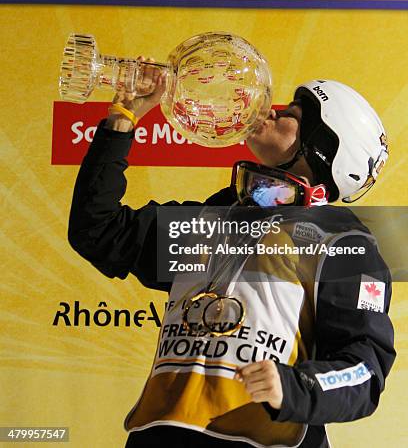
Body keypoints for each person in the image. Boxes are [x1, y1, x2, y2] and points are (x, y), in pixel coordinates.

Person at [68, 62, 395, 448]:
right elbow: (98, 229)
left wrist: (293, 387)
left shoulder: (344, 243)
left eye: (292, 114)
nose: (273, 110)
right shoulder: (212, 218)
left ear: (323, 150)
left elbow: (364, 372)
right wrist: (123, 119)